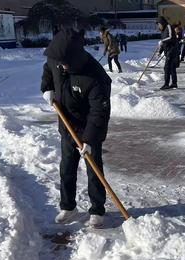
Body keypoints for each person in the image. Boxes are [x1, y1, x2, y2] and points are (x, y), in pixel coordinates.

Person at [41, 29, 112, 227]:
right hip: (66, 125)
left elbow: (99, 112)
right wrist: (47, 88)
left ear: (75, 59)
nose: (61, 66)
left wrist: (89, 140)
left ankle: (97, 210)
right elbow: (48, 69)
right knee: (67, 168)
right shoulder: (57, 60)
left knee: (94, 170)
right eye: (59, 62)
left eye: (65, 63)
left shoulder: (95, 76)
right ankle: (68, 207)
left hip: (90, 127)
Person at [157, 16, 179, 90]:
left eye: (159, 24)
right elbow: (163, 43)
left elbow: (171, 37)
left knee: (166, 68)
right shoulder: (162, 31)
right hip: (168, 51)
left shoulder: (168, 26)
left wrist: (163, 41)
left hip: (172, 50)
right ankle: (174, 83)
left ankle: (166, 84)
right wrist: (160, 51)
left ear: (162, 23)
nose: (158, 26)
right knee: (172, 68)